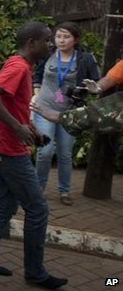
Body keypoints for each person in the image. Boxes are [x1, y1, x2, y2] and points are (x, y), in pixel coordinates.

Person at [0, 21, 68, 290]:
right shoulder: (18, 67)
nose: (51, 44)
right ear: (32, 43)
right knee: (37, 209)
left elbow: (10, 103)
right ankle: (35, 273)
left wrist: (30, 127)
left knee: (4, 205)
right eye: (47, 40)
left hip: (0, 146)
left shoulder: (21, 66)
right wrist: (16, 128)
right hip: (7, 150)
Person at [32, 21, 100, 205]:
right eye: (58, 36)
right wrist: (36, 96)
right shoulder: (47, 54)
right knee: (44, 151)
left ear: (75, 39)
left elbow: (96, 84)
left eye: (66, 37)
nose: (61, 40)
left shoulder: (85, 58)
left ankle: (64, 191)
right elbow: (37, 76)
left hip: (70, 113)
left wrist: (94, 89)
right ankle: (38, 189)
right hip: (44, 109)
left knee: (64, 153)